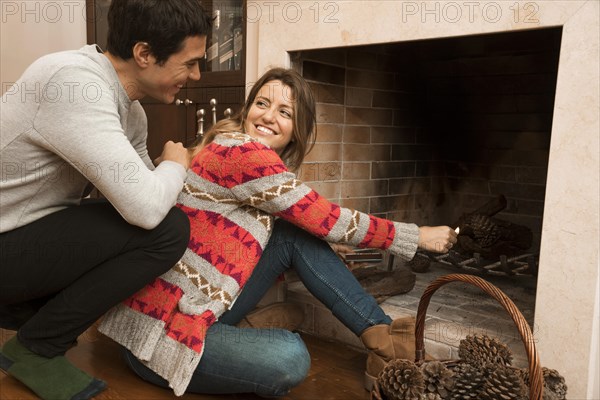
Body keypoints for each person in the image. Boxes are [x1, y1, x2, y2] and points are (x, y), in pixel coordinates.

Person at [99, 68, 458, 397]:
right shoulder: (242, 152)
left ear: (296, 129)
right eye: (262, 103)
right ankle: (374, 337)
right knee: (290, 358)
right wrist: (418, 236)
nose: (269, 116)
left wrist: (324, 248)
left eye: (284, 112)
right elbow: (329, 219)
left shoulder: (247, 157)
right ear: (247, 109)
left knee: (292, 232)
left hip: (197, 306)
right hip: (160, 338)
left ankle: (381, 336)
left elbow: (288, 227)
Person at [0, 1, 211, 399]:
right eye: (190, 63)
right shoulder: (74, 82)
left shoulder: (131, 112)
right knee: (165, 232)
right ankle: (36, 348)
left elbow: (145, 192)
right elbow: (149, 210)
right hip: (7, 239)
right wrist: (176, 164)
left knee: (151, 225)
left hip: (24, 236)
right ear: (145, 54)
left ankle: (26, 316)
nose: (196, 76)